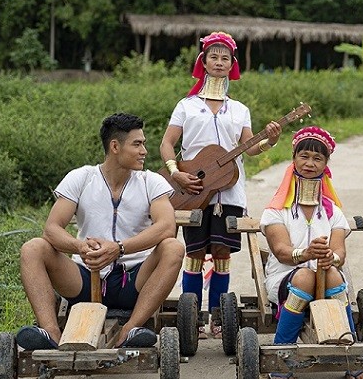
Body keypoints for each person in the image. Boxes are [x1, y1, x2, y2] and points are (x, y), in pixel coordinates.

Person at [16, 113, 185, 350]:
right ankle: (51, 334)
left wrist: (119, 248)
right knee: (33, 248)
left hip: (132, 281)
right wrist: (80, 247)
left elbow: (166, 226)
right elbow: (52, 229)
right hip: (84, 279)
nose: (144, 151)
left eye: (144, 144)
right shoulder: (81, 178)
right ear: (115, 146)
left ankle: (130, 330)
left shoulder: (151, 182)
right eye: (137, 144)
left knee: (173, 247)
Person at [160, 31, 282, 338]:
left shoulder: (239, 109)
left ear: (232, 65)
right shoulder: (186, 105)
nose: (218, 62)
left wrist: (271, 140)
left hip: (229, 191)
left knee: (223, 253)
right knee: (195, 252)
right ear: (203, 62)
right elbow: (167, 143)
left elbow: (249, 148)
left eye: (224, 58)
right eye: (213, 56)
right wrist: (176, 172)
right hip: (193, 190)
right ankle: (192, 321)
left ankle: (217, 319)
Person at [260, 126, 363, 379]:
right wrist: (306, 254)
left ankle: (350, 353)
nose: (310, 163)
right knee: (306, 275)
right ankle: (282, 352)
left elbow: (340, 252)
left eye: (317, 158)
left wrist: (331, 258)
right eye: (304, 156)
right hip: (286, 280)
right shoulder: (276, 210)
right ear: (294, 159)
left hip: (326, 279)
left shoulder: (333, 213)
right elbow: (282, 252)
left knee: (330, 273)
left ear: (326, 165)